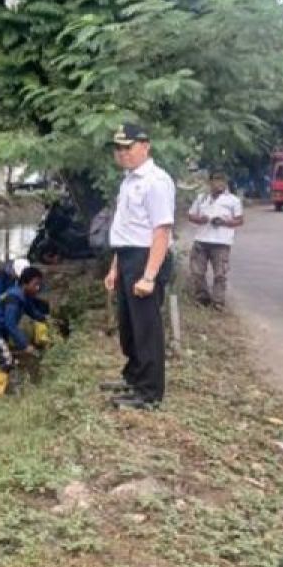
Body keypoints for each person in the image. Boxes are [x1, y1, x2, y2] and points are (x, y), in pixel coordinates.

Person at [103, 123, 175, 411]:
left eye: (128, 147)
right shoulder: (129, 179)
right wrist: (114, 267)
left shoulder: (155, 181)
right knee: (129, 326)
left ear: (145, 146)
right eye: (118, 148)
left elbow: (161, 232)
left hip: (147, 259)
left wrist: (149, 276)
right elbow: (127, 229)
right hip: (128, 256)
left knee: (146, 328)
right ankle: (133, 377)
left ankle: (149, 393)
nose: (123, 153)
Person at [0, 266, 45, 396]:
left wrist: (46, 319)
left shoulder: (23, 296)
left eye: (39, 285)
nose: (38, 288)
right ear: (25, 283)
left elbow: (32, 312)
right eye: (35, 284)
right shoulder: (14, 298)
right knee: (6, 360)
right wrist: (25, 345)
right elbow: (10, 324)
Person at [187, 172, 244, 311]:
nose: (219, 184)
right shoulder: (202, 199)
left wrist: (224, 222)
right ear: (210, 182)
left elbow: (239, 220)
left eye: (222, 181)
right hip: (201, 239)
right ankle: (202, 299)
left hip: (221, 242)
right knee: (197, 272)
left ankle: (218, 302)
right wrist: (200, 220)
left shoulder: (233, 200)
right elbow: (191, 215)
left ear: (225, 183)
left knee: (220, 274)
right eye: (216, 181)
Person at [0, 257, 51, 348]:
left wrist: (43, 318)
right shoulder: (3, 278)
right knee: (9, 321)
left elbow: (31, 296)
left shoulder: (26, 279)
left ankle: (41, 334)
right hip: (8, 303)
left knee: (42, 306)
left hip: (19, 299)